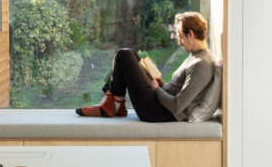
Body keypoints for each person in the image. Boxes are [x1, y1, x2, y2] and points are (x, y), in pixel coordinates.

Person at [76, 12, 216, 122]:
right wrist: (162, 84)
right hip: (159, 103)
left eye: (180, 36)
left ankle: (112, 104)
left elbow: (177, 106)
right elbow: (178, 91)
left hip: (157, 112)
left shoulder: (201, 65)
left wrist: (156, 88)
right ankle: (116, 105)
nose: (179, 42)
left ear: (190, 34)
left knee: (123, 54)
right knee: (132, 54)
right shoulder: (197, 56)